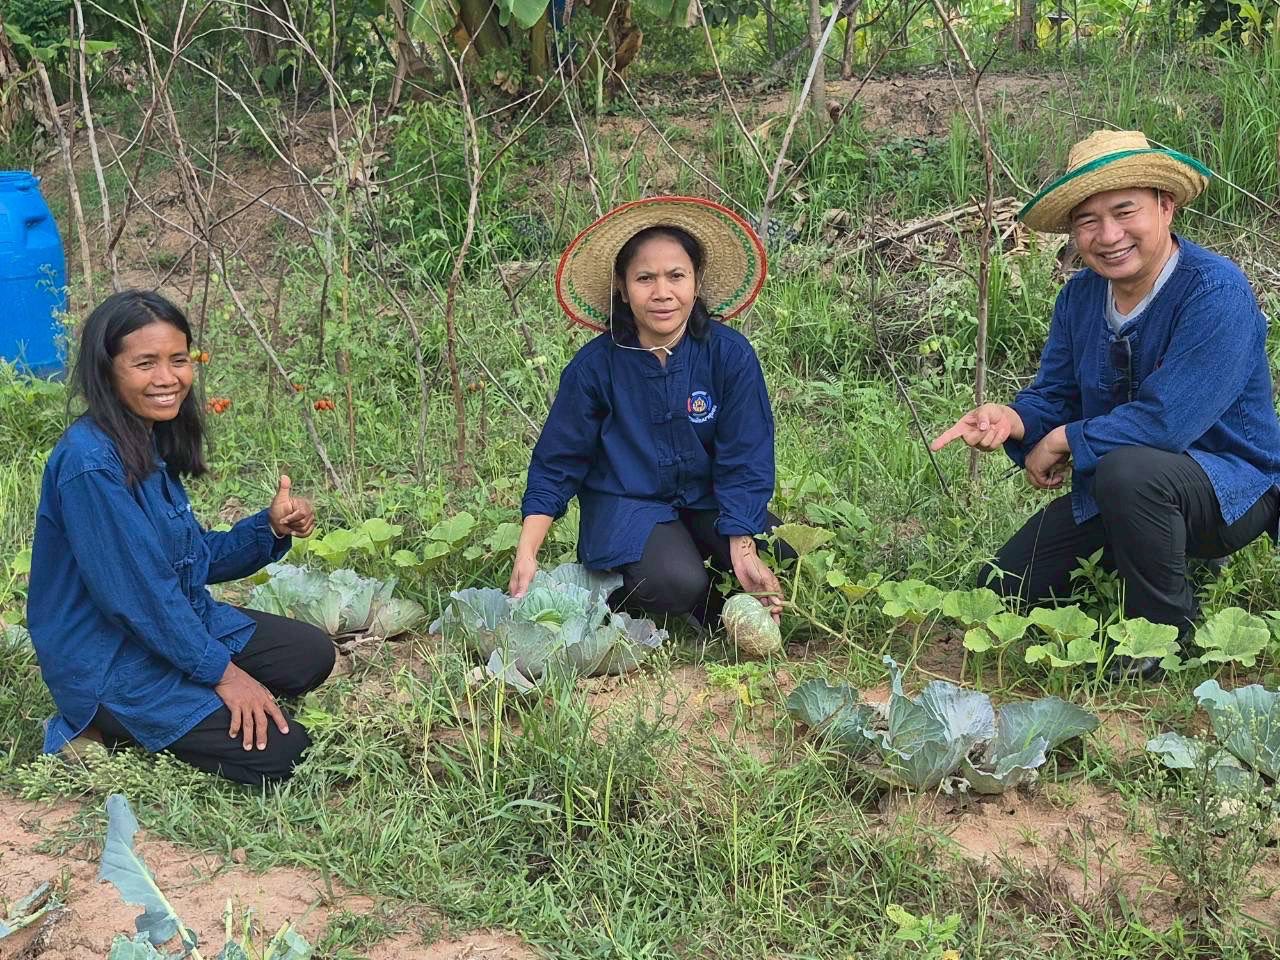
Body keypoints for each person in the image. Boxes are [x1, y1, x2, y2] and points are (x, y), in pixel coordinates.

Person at [932, 129, 1280, 681]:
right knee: (1005, 586)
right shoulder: (1080, 296)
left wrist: (1066, 439)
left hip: (1230, 487)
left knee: (1129, 468)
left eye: (1125, 211)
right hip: (1126, 488)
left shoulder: (1216, 291)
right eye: (1087, 221)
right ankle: (1152, 549)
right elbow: (1056, 393)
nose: (1109, 235)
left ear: (1165, 208)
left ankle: (1163, 635)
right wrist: (1018, 420)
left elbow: (1168, 422)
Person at [27, 289, 335, 785]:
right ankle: (92, 723)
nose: (167, 378)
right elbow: (138, 598)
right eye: (144, 363)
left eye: (178, 359)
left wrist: (268, 526)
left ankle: (176, 701)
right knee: (285, 753)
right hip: (107, 654)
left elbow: (192, 556)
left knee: (309, 655)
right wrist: (225, 675)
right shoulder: (90, 464)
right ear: (106, 370)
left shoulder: (144, 439)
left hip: (168, 622)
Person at [510, 196, 794, 628]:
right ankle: (660, 591)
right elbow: (557, 462)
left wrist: (742, 548)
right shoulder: (594, 368)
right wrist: (527, 551)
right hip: (627, 506)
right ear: (622, 288)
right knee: (676, 581)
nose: (662, 293)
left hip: (705, 500)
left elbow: (745, 457)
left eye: (676, 276)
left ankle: (712, 590)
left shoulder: (728, 356)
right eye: (645, 278)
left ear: (696, 282)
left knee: (781, 555)